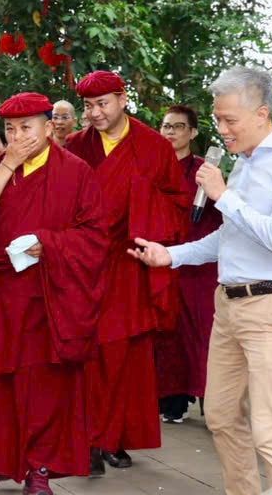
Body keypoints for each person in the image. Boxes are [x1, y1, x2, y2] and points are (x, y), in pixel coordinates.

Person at [131, 65, 272, 495]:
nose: (222, 129)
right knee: (219, 416)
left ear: (261, 113)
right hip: (230, 305)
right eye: (217, 119)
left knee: (271, 430)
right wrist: (171, 255)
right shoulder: (242, 164)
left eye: (229, 120)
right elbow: (229, 237)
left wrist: (222, 196)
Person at [0, 92, 108, 495]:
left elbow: (95, 235)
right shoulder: (0, 165)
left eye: (26, 127)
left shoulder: (75, 172)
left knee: (42, 382)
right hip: (0, 292)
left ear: (49, 128)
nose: (18, 136)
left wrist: (50, 244)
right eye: (10, 129)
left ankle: (39, 468)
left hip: (49, 294)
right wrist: (7, 162)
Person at [66, 71, 192, 472]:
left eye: (103, 103)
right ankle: (86, 437)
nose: (95, 113)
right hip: (85, 264)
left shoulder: (154, 146)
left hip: (129, 262)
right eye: (88, 106)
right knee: (84, 354)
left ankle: (113, 438)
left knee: (123, 355)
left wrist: (140, 201)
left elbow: (177, 202)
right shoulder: (74, 146)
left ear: (123, 99)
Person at [155, 105, 223, 423]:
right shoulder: (151, 168)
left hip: (200, 264)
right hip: (163, 259)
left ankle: (212, 398)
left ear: (193, 133)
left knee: (203, 331)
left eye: (178, 127)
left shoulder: (204, 169)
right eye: (166, 126)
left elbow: (225, 212)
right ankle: (173, 400)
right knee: (169, 333)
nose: (170, 132)